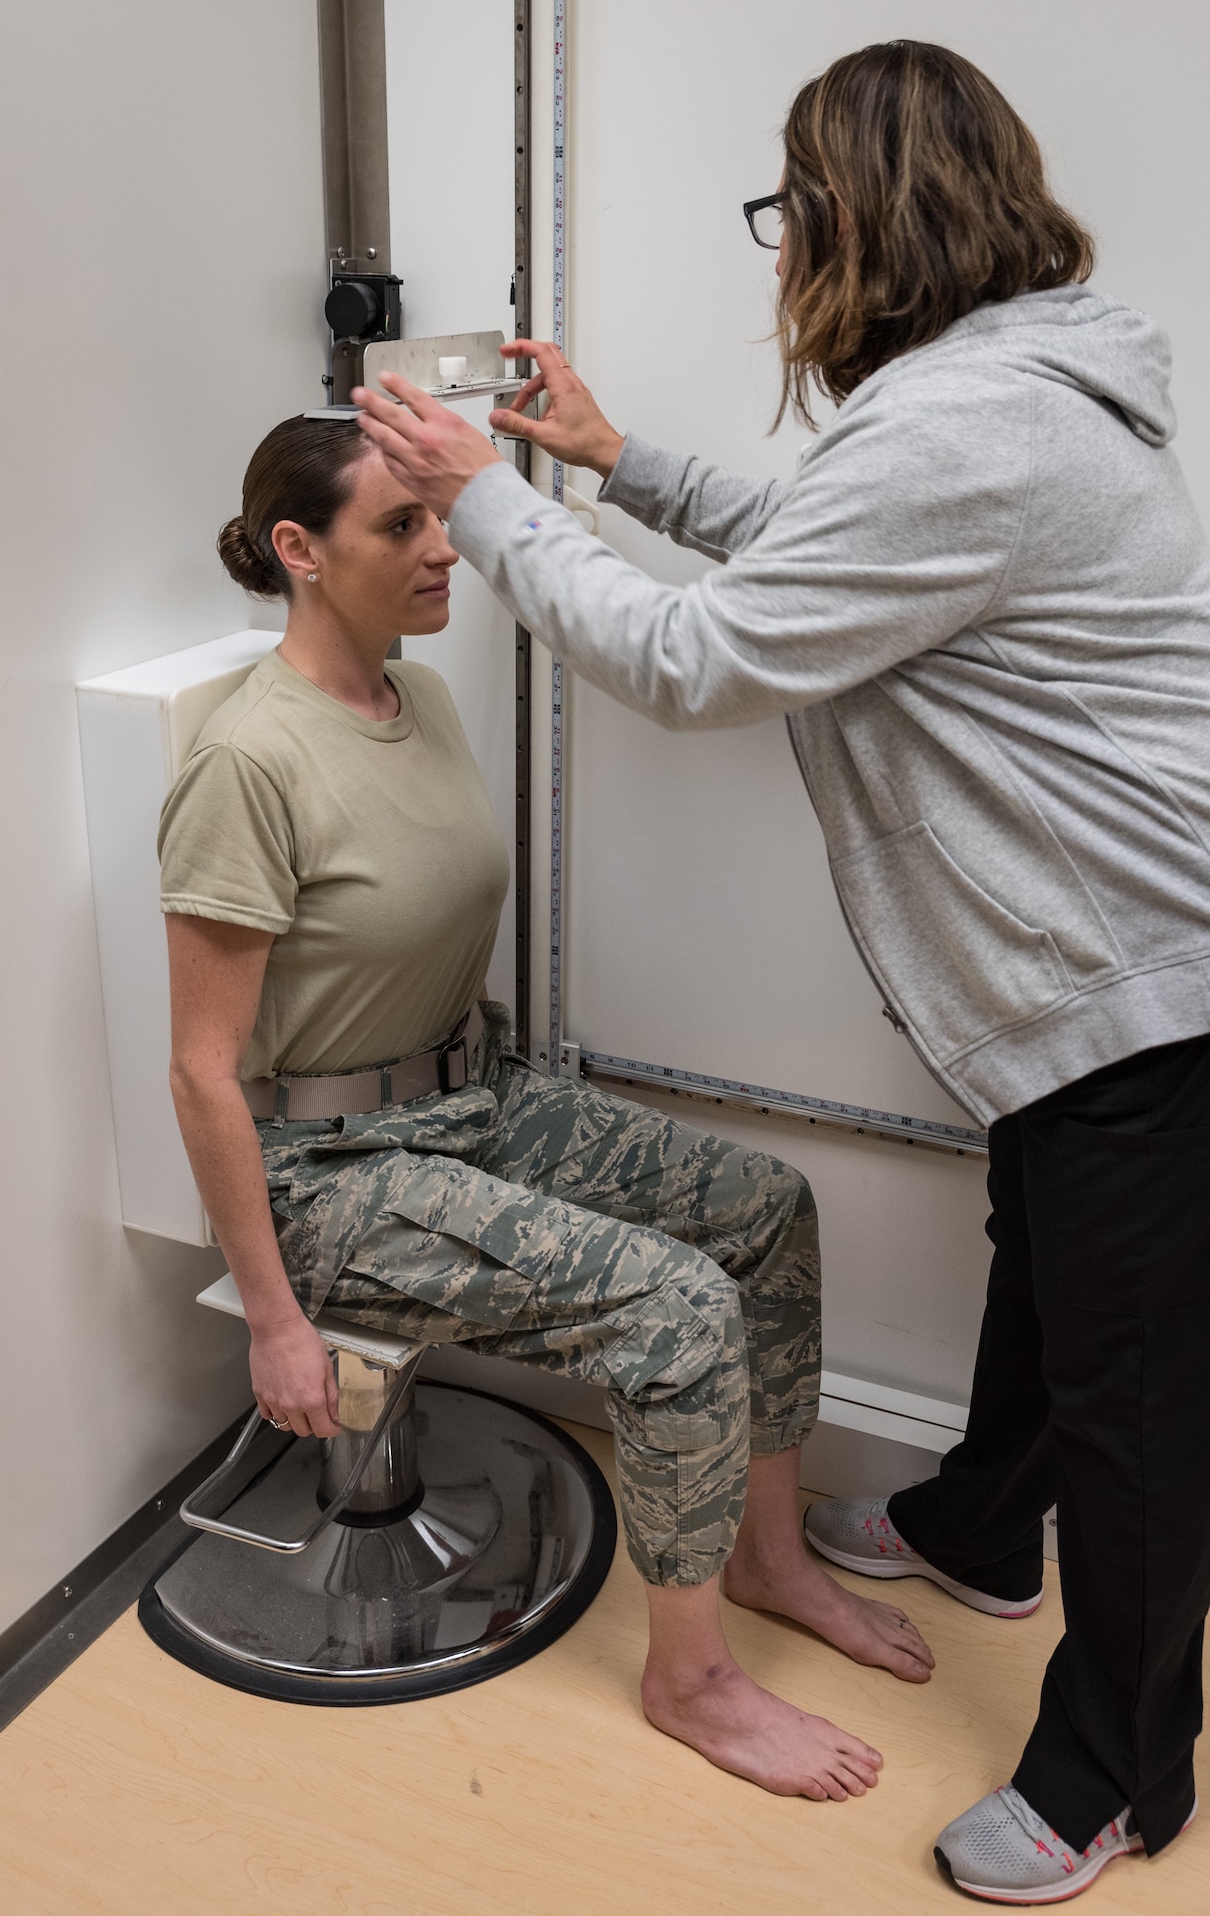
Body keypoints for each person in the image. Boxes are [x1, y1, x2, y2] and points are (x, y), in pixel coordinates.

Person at [351, 39, 1210, 1902]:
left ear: (854, 217)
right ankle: (982, 1527)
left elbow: (692, 663)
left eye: (788, 214)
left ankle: (1120, 1774)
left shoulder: (968, 427)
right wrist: (607, 461)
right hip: (1102, 986)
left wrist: (488, 504)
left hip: (1158, 978)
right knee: (1051, 1275)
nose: (778, 255)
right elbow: (822, 559)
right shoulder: (1001, 399)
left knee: (1139, 1397)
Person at [158, 412, 935, 1805]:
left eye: (436, 517)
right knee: (676, 1312)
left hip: (472, 1096)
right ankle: (689, 1681)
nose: (445, 545)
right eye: (400, 527)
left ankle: (764, 1555)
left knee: (765, 1213)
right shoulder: (247, 762)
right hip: (333, 1173)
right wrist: (277, 1320)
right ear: (300, 551)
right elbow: (203, 1070)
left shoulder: (422, 701)